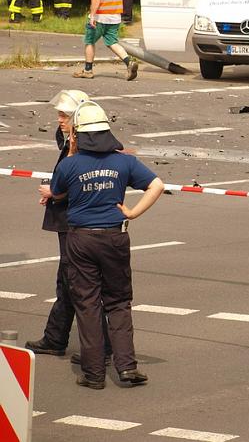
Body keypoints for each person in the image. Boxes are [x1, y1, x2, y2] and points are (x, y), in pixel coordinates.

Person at [50, 100, 164, 389]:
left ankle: (94, 373)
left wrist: (72, 148)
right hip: (115, 236)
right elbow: (157, 185)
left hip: (81, 239)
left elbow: (57, 192)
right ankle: (127, 367)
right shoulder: (124, 161)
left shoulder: (70, 164)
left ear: (78, 133)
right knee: (119, 302)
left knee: (87, 304)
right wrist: (133, 212)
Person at [25, 90, 111, 362]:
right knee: (69, 281)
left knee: (78, 283)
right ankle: (57, 338)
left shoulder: (84, 145)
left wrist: (54, 192)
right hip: (70, 218)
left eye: (64, 115)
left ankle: (102, 347)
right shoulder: (69, 140)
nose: (59, 119)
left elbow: (79, 181)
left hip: (77, 221)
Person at [73, 0, 139, 81]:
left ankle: (88, 70)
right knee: (112, 42)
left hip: (100, 16)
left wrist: (92, 15)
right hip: (115, 16)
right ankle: (129, 62)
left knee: (89, 41)